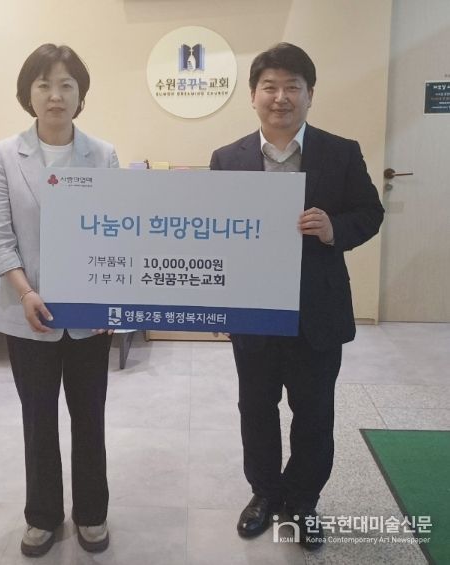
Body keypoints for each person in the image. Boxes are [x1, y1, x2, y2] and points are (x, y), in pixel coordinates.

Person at [210, 43, 384, 550]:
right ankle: (264, 494)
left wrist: (334, 229)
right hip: (254, 310)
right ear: (253, 95)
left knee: (314, 412)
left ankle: (304, 500)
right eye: (270, 86)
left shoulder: (341, 152)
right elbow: (215, 234)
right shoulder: (228, 159)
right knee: (256, 408)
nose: (280, 97)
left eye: (293, 87)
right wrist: (219, 303)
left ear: (310, 94)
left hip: (318, 311)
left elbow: (370, 213)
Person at [0, 43, 118, 557]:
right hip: (28, 313)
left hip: (88, 317)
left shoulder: (103, 154)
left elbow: (115, 233)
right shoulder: (3, 155)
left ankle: (92, 513)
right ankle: (41, 516)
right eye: (44, 85)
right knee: (38, 418)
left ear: (81, 93)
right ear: (29, 94)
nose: (55, 95)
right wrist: (25, 291)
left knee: (89, 415)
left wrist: (108, 301)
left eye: (66, 84)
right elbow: (0, 237)